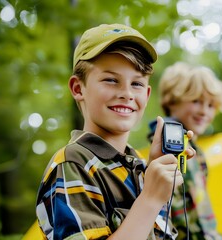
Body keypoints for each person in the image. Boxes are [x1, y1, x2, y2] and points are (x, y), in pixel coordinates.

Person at [35, 23, 195, 240]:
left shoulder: (141, 165)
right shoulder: (73, 164)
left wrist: (157, 172)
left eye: (136, 84)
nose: (127, 93)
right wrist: (150, 198)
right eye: (111, 80)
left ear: (147, 95)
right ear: (77, 88)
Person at [148, 62, 222, 239]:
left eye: (211, 105)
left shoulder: (194, 149)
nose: (204, 111)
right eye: (196, 101)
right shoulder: (168, 148)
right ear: (172, 101)